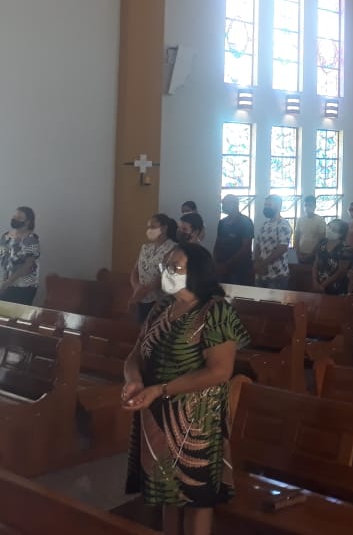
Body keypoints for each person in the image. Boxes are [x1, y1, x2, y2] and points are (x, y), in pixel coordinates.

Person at [122, 242, 249, 535]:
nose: (167, 272)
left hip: (196, 419)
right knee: (168, 493)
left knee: (196, 496)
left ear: (197, 273)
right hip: (155, 413)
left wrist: (161, 388)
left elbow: (220, 371)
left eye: (175, 267)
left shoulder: (216, 311)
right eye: (165, 266)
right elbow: (135, 355)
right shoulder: (161, 307)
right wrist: (134, 380)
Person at [129, 214, 177, 323]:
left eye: (153, 227)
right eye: (148, 227)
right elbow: (135, 270)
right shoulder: (145, 247)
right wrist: (137, 287)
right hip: (141, 296)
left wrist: (144, 290)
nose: (149, 230)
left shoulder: (173, 248)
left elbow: (164, 275)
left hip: (159, 300)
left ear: (164, 228)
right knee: (141, 327)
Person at [0, 206, 40, 305]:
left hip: (23, 287)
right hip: (4, 283)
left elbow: (27, 265)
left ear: (27, 222)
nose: (15, 219)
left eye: (19, 218)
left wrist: (7, 283)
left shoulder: (31, 239)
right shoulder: (5, 236)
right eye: (14, 216)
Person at [213, 195, 254, 286]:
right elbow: (217, 243)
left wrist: (227, 265)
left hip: (239, 269)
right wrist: (216, 262)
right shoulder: (222, 222)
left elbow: (246, 248)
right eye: (222, 203)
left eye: (225, 203)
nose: (223, 206)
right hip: (222, 268)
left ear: (235, 204)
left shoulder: (246, 222)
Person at [253, 195, 291, 289]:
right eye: (265, 205)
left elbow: (282, 248)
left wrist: (263, 264)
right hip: (261, 273)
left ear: (278, 206)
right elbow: (258, 244)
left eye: (269, 205)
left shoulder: (283, 224)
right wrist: (257, 262)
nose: (266, 207)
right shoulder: (265, 224)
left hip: (277, 275)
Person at [312, 218, 351, 295]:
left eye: (334, 229)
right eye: (329, 226)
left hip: (336, 287)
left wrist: (323, 285)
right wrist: (315, 282)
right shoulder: (322, 243)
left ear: (341, 234)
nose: (329, 230)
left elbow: (341, 271)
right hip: (319, 284)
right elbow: (315, 264)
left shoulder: (345, 248)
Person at [292, 195, 326, 265]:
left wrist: (311, 254)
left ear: (314, 206)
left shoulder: (320, 220)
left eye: (310, 205)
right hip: (300, 252)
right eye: (305, 205)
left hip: (314, 254)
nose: (307, 207)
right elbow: (296, 237)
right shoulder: (300, 220)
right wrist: (297, 252)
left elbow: (322, 240)